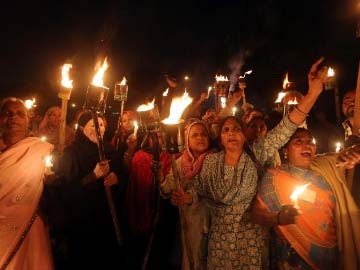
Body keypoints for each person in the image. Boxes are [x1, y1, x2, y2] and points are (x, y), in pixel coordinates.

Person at [173, 57, 330, 269]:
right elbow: (199, 190)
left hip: (252, 238)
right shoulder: (210, 162)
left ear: (245, 136)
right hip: (220, 239)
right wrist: (187, 196)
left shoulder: (257, 153)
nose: (231, 133)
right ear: (220, 138)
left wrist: (313, 93)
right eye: (226, 130)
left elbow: (287, 127)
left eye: (236, 129)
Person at [251, 128, 360, 270]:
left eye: (310, 142)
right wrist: (278, 218)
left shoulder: (326, 166)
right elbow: (256, 215)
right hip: (292, 258)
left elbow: (346, 156)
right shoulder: (274, 178)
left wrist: (355, 149)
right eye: (298, 141)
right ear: (285, 151)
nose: (306, 145)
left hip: (329, 254)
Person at [54, 111, 124, 269]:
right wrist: (93, 175)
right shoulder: (71, 153)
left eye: (101, 125)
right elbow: (67, 191)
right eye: (93, 125)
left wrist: (116, 178)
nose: (98, 129)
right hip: (84, 220)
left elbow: (124, 175)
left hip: (109, 218)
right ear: (82, 129)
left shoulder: (111, 150)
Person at [0, 97, 54, 270]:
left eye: (19, 114)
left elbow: (60, 191)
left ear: (28, 120)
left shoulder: (42, 150)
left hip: (29, 226)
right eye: (7, 113)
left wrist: (52, 182)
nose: (13, 117)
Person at [161, 120, 214, 270]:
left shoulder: (215, 160)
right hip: (190, 222)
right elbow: (168, 187)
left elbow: (211, 188)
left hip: (211, 219)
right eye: (194, 135)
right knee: (192, 259)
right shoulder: (178, 162)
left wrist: (191, 196)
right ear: (187, 140)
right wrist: (161, 180)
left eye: (203, 134)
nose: (200, 138)